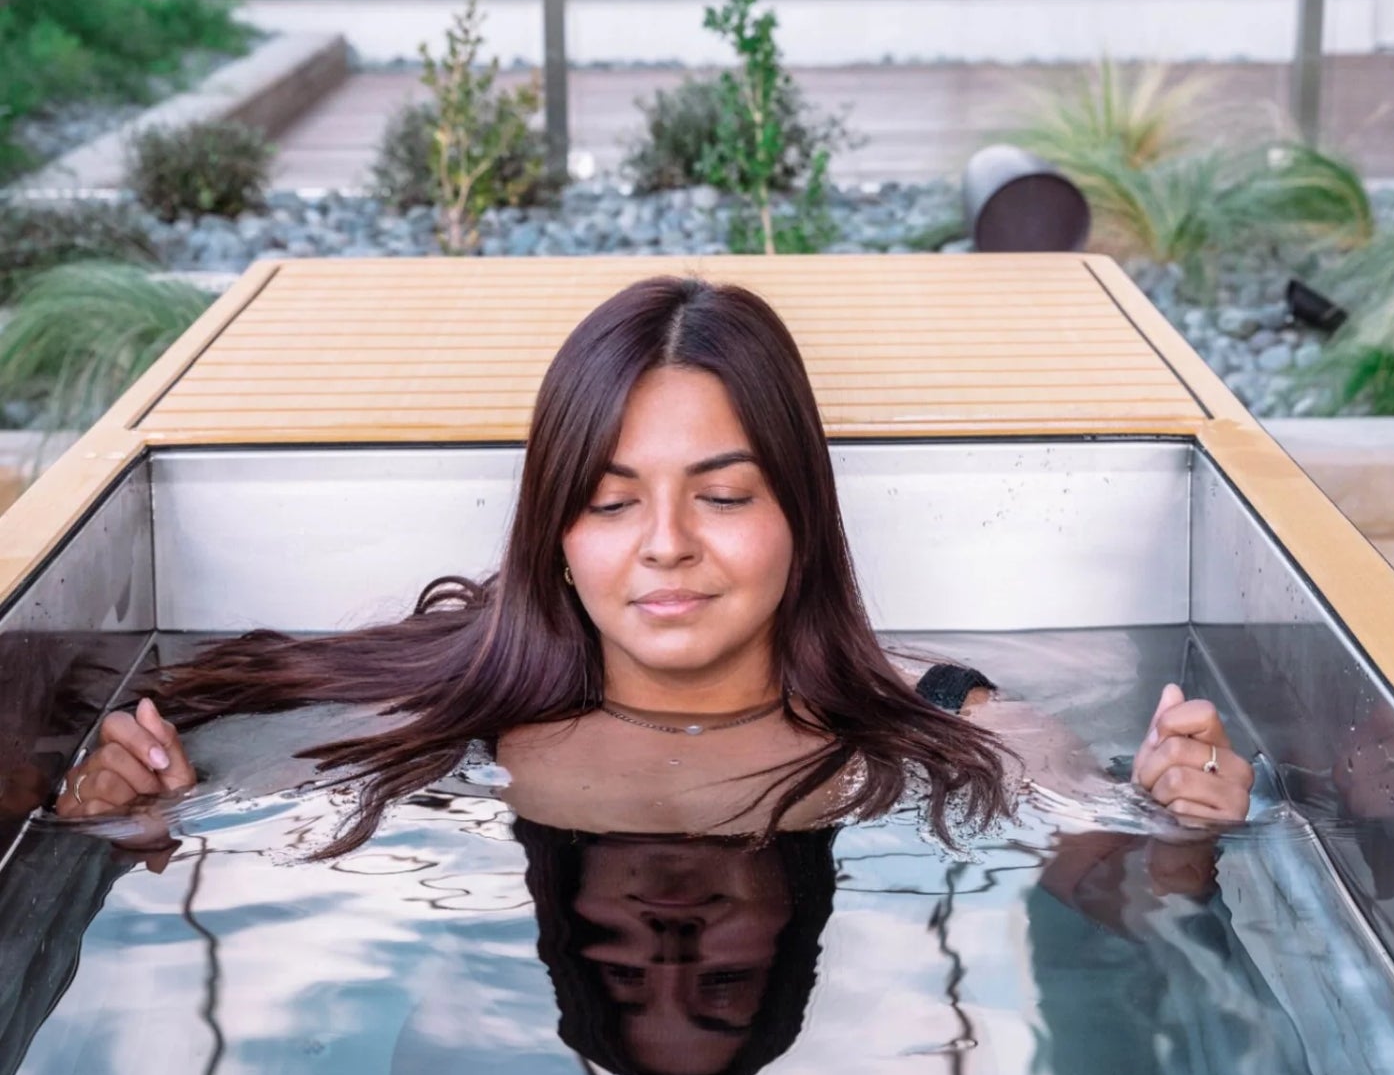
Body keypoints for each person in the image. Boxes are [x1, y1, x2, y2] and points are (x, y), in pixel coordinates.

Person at [52, 274, 1254, 853]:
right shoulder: (427, 712)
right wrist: (130, 823)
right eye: (610, 501)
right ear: (557, 534)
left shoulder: (975, 734)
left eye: (721, 495)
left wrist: (1184, 828)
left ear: (800, 514)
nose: (666, 542)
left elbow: (1118, 921)